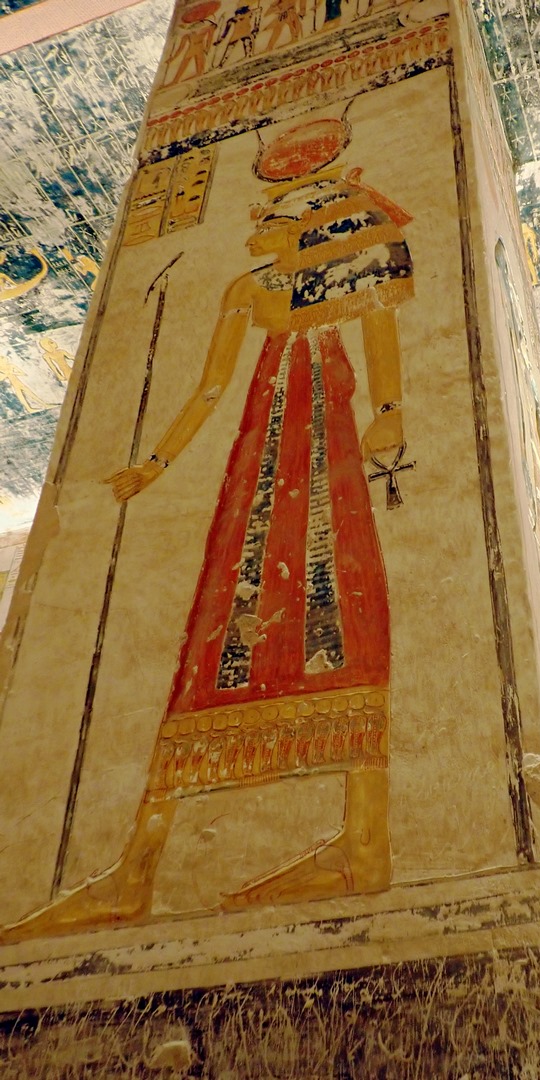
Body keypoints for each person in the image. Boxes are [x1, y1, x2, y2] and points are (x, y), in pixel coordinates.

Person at [0, 120, 414, 941]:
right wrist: (153, 464)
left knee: (342, 606)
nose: (259, 230)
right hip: (260, 460)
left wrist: (391, 411)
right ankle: (137, 870)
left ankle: (365, 842)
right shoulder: (249, 290)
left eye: (275, 218)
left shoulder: (345, 268)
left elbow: (380, 331)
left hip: (326, 455)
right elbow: (210, 388)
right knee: (223, 624)